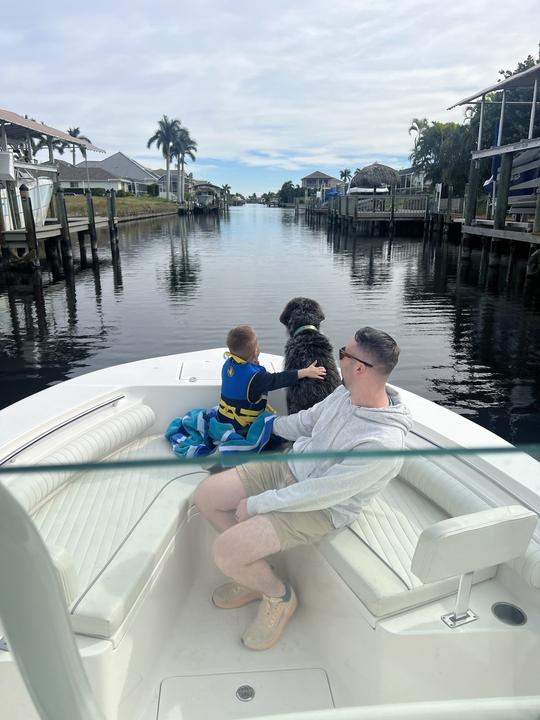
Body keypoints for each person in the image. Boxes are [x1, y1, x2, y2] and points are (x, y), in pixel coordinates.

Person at [194, 326, 412, 651]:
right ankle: (254, 574)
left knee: (226, 552)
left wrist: (257, 504)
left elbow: (320, 493)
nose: (337, 358)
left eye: (343, 352)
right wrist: (264, 427)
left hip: (321, 509)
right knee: (207, 496)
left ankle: (278, 595)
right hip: (291, 467)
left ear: (359, 368)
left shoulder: (383, 443)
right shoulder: (346, 393)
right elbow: (308, 421)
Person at [217, 324, 326, 433]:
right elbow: (279, 379)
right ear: (255, 351)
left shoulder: (229, 364)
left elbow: (240, 379)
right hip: (244, 428)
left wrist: (253, 362)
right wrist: (306, 372)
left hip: (223, 418)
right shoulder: (257, 378)